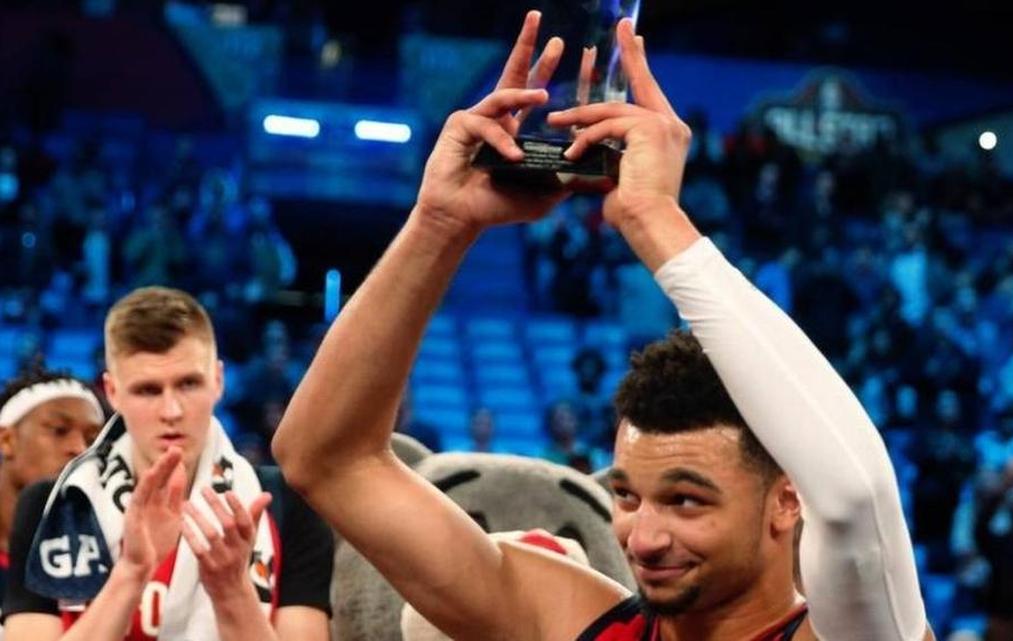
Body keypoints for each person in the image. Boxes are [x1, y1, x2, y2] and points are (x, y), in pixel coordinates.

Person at [272, 11, 930, 641]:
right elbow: (324, 459)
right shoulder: (572, 619)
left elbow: (853, 495)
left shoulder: (852, 630)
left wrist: (652, 218)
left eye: (686, 501)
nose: (642, 538)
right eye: (627, 496)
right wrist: (440, 224)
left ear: (787, 501)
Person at [3, 287, 333, 641]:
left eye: (189, 384)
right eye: (148, 390)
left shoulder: (285, 502)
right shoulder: (53, 506)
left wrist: (232, 592)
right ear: (113, 392)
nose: (171, 411)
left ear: (218, 381)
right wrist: (131, 574)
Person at [0, 364, 104, 610]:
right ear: (7, 440)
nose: (79, 449)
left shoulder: (102, 559)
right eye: (60, 431)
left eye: (92, 440)